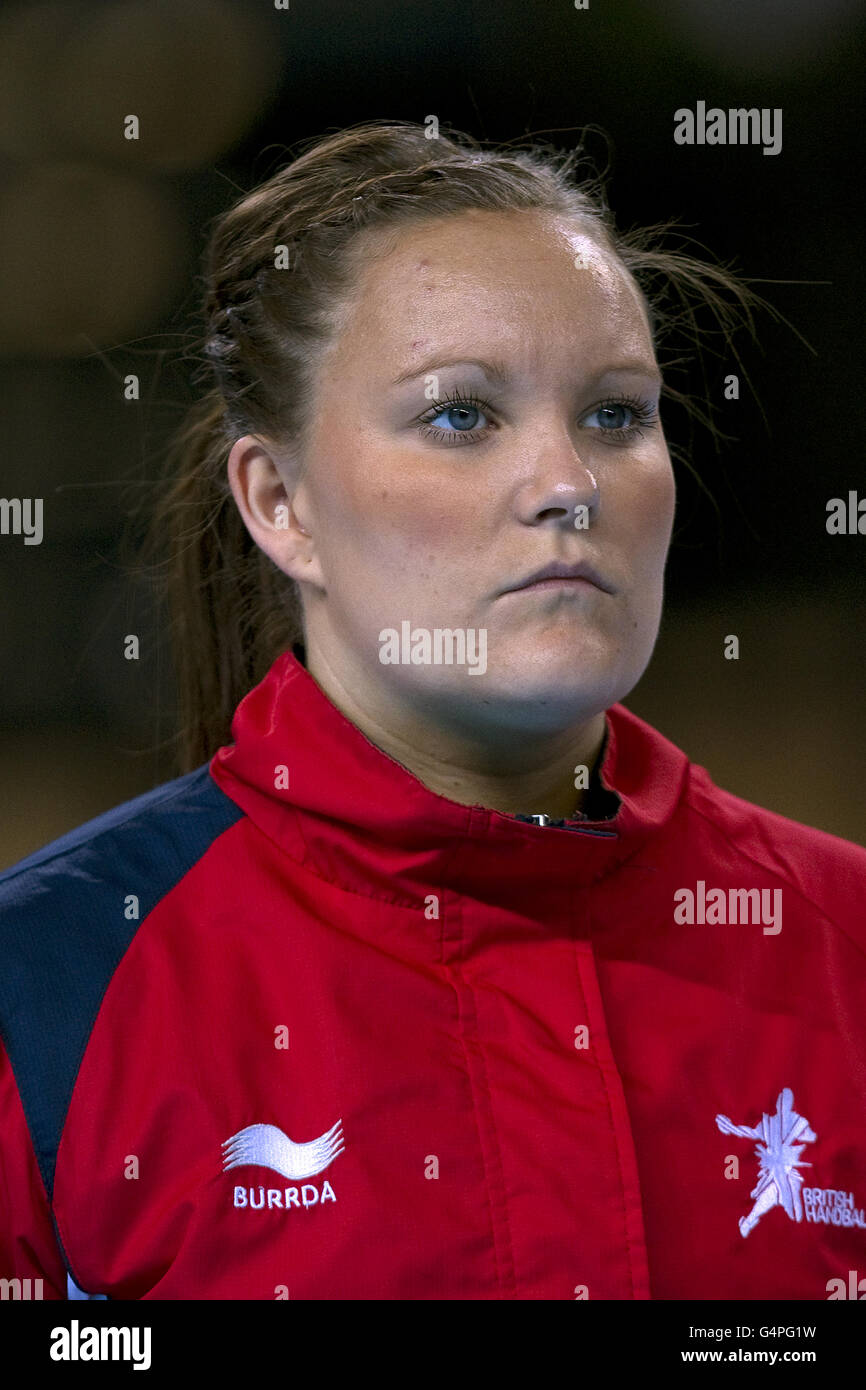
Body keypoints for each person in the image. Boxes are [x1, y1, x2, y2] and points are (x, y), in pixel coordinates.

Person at [1, 120, 864, 1303]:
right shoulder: (45, 986)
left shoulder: (839, 944)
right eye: (459, 415)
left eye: (615, 414)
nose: (568, 485)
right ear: (278, 501)